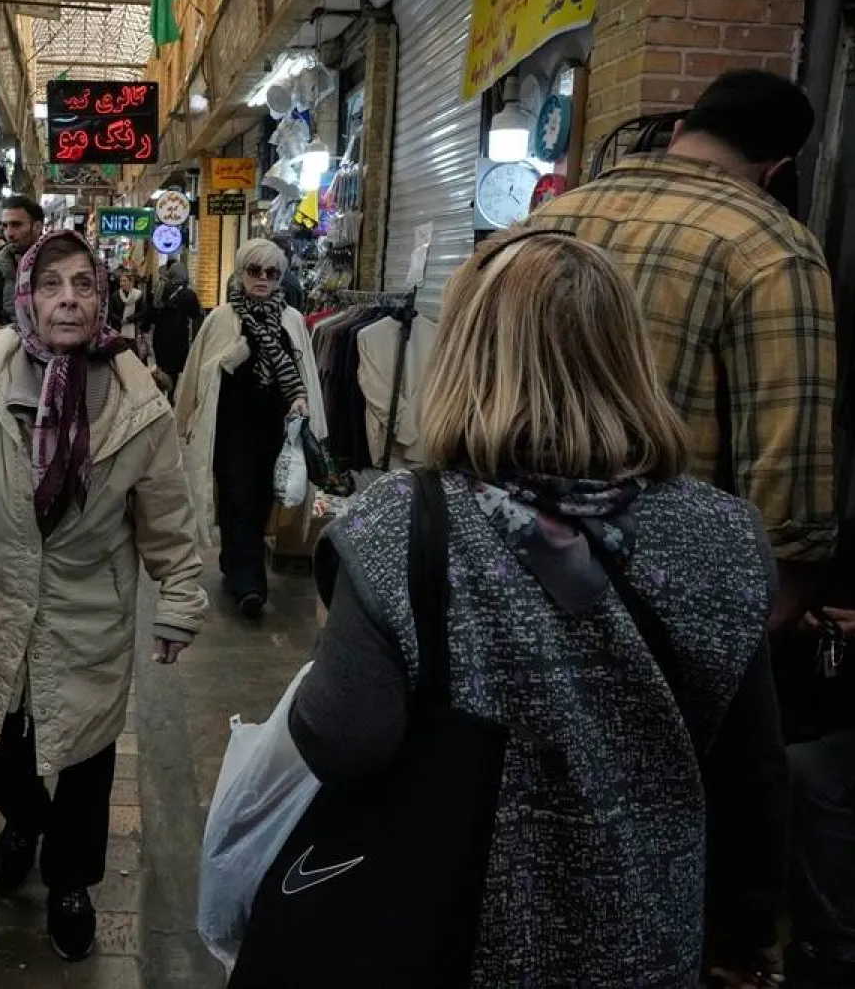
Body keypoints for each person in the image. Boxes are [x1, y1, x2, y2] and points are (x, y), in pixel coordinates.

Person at [289, 230, 786, 987]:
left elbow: (342, 739)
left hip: (452, 929)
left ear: (467, 358)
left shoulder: (405, 524)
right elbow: (752, 772)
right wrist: (748, 929)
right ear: (627, 357)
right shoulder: (724, 534)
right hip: (647, 939)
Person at [0, 230, 208, 962]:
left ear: (102, 297)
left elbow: (168, 515)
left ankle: (71, 883)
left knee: (86, 762)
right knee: (3, 760)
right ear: (27, 297)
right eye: (51, 285)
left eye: (83, 285)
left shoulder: (138, 400)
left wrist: (179, 597)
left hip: (89, 614)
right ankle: (21, 817)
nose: (68, 299)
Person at [527, 69, 837, 628]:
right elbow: (785, 456)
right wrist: (783, 600)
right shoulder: (772, 249)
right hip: (665, 593)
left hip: (515, 561)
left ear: (676, 132)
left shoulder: (546, 220)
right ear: (779, 170)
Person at [176, 238, 326, 619]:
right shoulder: (222, 319)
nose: (263, 279)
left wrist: (302, 404)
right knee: (237, 495)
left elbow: (304, 373)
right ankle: (251, 583)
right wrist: (230, 358)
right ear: (241, 273)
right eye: (255, 270)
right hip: (231, 428)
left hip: (274, 430)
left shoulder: (292, 321)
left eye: (272, 273)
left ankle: (235, 560)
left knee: (259, 501)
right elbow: (198, 372)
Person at [0, 196, 45, 326]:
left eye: (16, 225)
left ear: (37, 227)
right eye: (5, 226)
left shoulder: (59, 266)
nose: (9, 233)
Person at [148, 259, 202, 397]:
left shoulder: (160, 289)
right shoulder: (188, 294)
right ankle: (171, 396)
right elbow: (195, 314)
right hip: (179, 337)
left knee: (161, 366)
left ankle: (160, 393)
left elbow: (151, 312)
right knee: (174, 369)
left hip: (160, 336)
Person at [111, 271, 144, 352]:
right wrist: (120, 320)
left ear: (131, 282)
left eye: (124, 281)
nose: (122, 283)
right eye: (121, 281)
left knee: (132, 350)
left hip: (132, 327)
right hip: (118, 327)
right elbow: (111, 311)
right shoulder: (115, 295)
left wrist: (129, 319)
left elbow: (142, 311)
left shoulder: (138, 295)